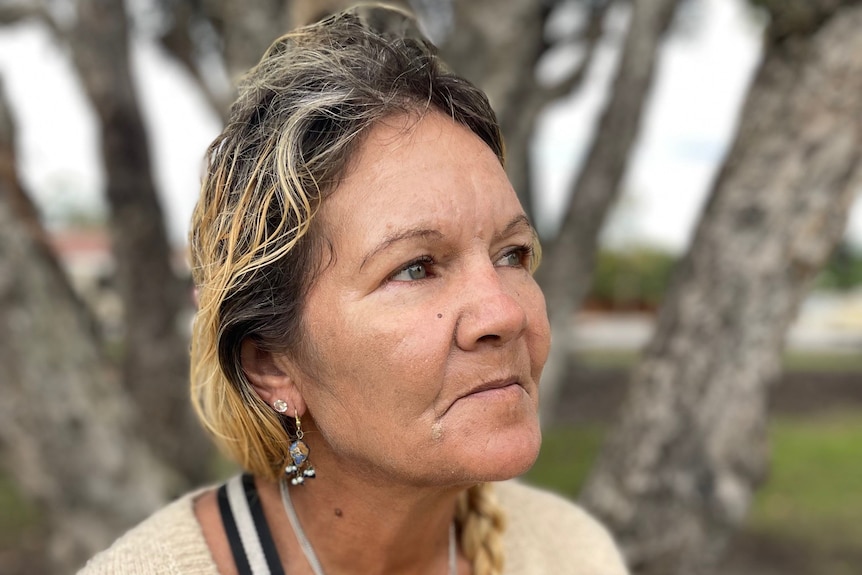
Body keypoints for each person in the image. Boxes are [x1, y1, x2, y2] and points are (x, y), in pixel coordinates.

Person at [79, 4, 629, 575]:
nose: (505, 312)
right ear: (272, 365)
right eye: (416, 267)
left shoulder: (571, 552)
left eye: (512, 254)